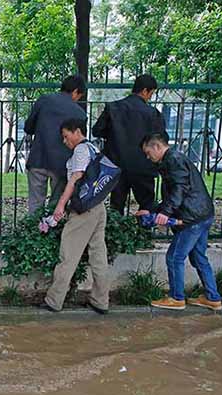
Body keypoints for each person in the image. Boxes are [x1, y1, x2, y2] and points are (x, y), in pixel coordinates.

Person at [137, 133, 222, 311]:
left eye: (148, 152)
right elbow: (177, 193)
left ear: (157, 147)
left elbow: (179, 189)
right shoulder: (174, 159)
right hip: (202, 214)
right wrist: (155, 211)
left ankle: (177, 298)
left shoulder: (173, 160)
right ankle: (213, 297)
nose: (148, 157)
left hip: (191, 218)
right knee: (199, 257)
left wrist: (166, 213)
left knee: (174, 257)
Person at [42, 119, 109, 314]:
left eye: (66, 135)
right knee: (98, 255)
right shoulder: (93, 148)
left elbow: (75, 179)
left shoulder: (80, 151)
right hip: (98, 207)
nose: (64, 141)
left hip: (83, 210)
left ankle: (54, 301)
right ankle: (101, 301)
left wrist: (60, 206)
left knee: (68, 255)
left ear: (77, 131)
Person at [93, 74, 168, 214]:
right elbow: (162, 139)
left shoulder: (113, 108)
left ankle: (118, 234)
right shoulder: (153, 114)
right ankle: (143, 233)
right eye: (151, 94)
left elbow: (97, 131)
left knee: (116, 205)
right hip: (144, 166)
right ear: (145, 91)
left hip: (117, 164)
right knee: (147, 204)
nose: (150, 97)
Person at [23, 75, 88, 215]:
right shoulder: (80, 113)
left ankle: (33, 231)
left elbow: (28, 127)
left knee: (35, 203)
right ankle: (51, 232)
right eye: (79, 96)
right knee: (57, 203)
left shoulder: (44, 100)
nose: (78, 100)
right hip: (62, 164)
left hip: (38, 158)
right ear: (75, 91)